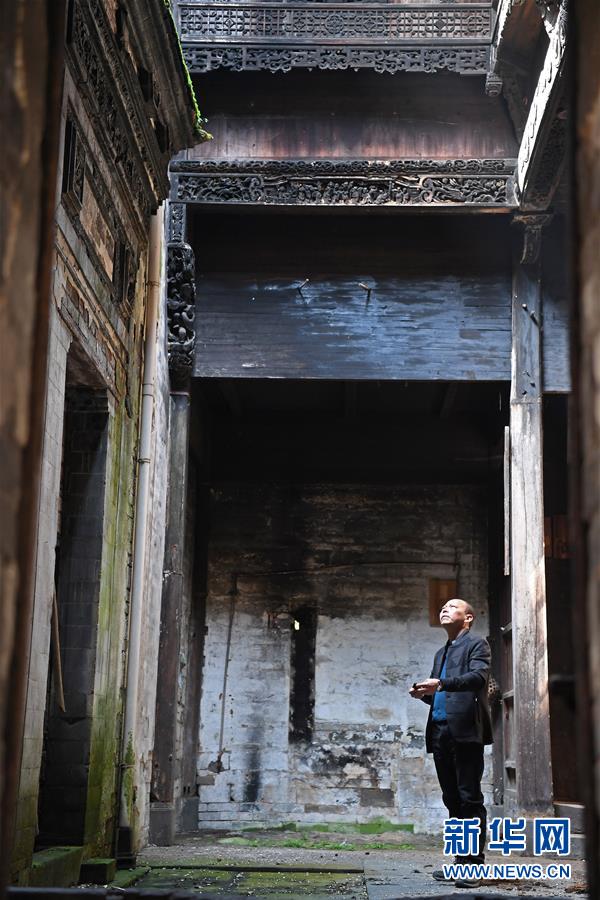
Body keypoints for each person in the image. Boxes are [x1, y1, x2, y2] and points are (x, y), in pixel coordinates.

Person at [409, 598, 492, 888]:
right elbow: (445, 697)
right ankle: (461, 862)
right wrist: (426, 695)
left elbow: (478, 679)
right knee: (451, 799)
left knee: (469, 797)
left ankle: (474, 867)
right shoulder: (440, 652)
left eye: (452, 607)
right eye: (442, 607)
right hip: (440, 731)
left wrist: (440, 684)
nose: (444, 609)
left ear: (467, 618)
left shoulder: (477, 644)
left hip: (467, 732)